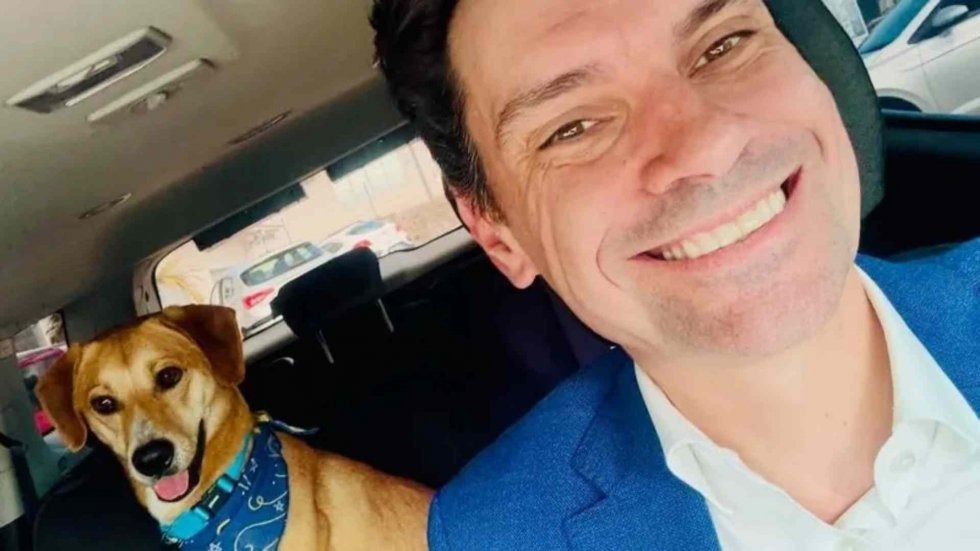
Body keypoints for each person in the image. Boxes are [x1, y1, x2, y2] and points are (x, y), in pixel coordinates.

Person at [371, 0, 980, 548]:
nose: (705, 147)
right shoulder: (496, 534)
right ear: (498, 235)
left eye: (723, 45)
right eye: (572, 128)